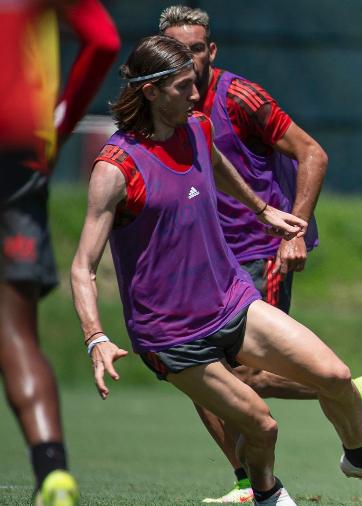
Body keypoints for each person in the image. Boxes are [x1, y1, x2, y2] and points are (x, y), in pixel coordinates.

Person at [70, 36, 362, 506]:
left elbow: (214, 162)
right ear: (153, 91)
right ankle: (267, 495)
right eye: (183, 87)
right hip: (172, 335)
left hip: (231, 300)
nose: (196, 95)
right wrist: (95, 336)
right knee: (262, 427)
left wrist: (262, 209)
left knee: (337, 376)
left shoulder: (195, 127)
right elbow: (82, 267)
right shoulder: (115, 168)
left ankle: (359, 458)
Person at [152, 6, 362, 502]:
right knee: (198, 371)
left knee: (245, 374)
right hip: (205, 262)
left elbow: (313, 153)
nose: (189, 60)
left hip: (260, 252)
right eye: (178, 51)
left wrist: (293, 233)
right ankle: (247, 482)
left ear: (210, 51)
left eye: (197, 49)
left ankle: (354, 390)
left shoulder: (239, 95)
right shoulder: (162, 104)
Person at [0, 1, 119, 504]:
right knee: (14, 328)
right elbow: (104, 41)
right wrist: (60, 124)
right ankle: (53, 472)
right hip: (20, 153)